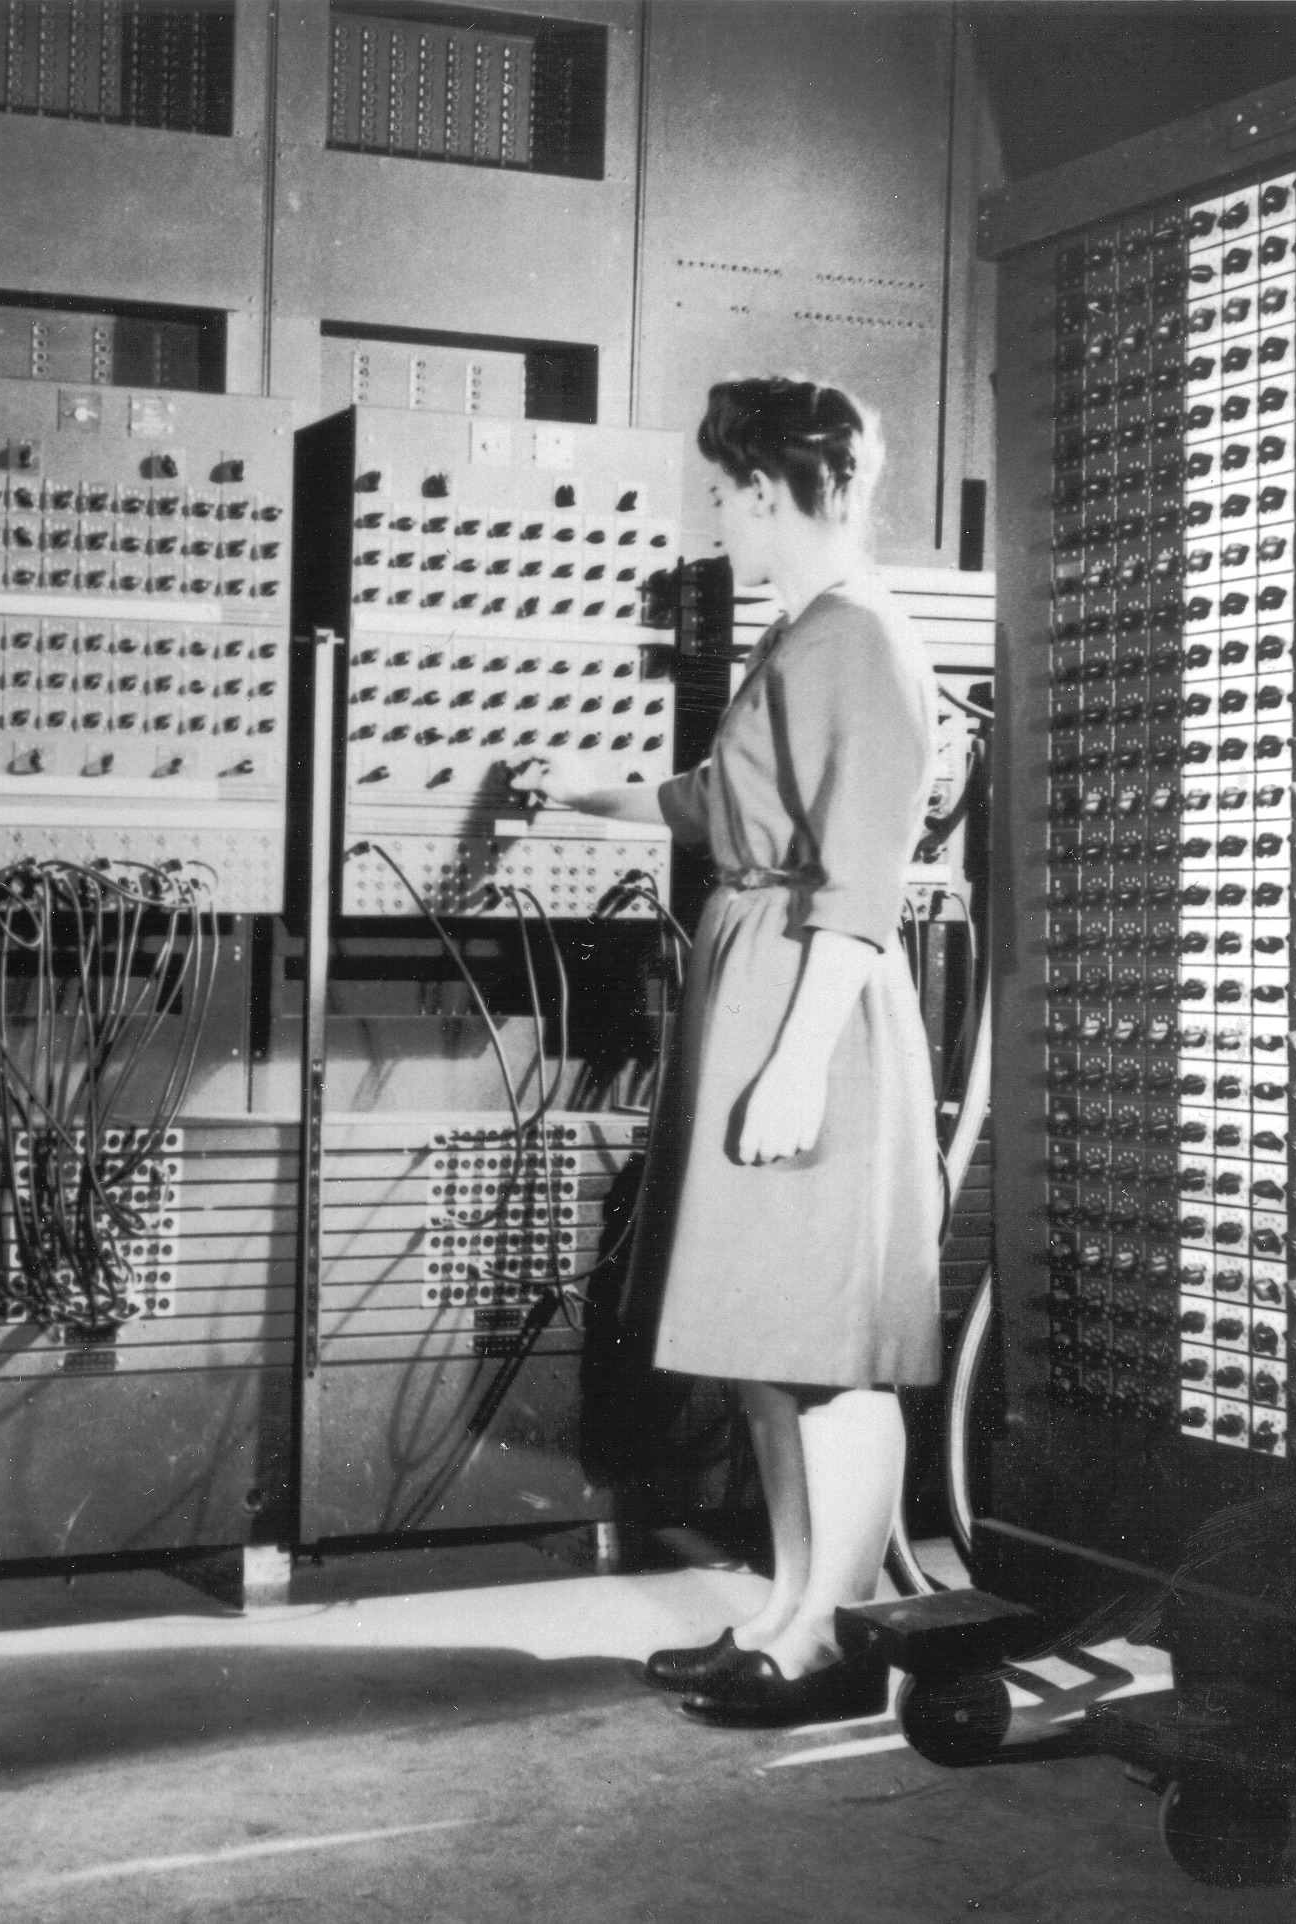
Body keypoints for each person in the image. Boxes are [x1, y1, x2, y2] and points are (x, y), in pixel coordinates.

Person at [515, 377, 941, 1728]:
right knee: (764, 1335)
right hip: (755, 978)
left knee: (826, 1346)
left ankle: (832, 1633)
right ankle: (780, 1609)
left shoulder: (856, 640)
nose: (711, 522)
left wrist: (798, 1060)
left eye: (720, 496)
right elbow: (720, 804)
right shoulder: (802, 633)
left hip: (812, 1001)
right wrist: (578, 791)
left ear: (767, 492)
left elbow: (858, 884)